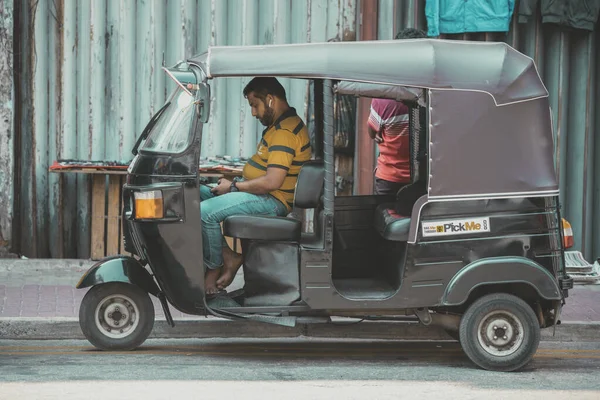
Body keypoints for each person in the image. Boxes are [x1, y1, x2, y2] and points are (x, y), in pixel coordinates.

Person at [201, 77, 312, 294]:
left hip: (273, 200)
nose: (253, 112)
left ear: (270, 100)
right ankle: (229, 256)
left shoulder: (284, 132)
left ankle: (213, 270)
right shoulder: (277, 127)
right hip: (261, 194)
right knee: (193, 195)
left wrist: (233, 187)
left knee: (205, 212)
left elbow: (272, 182)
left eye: (254, 105)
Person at [368, 28, 427, 196]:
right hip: (425, 177)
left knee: (384, 218)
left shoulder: (384, 97)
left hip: (390, 178)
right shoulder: (432, 93)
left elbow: (372, 131)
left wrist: (377, 133)